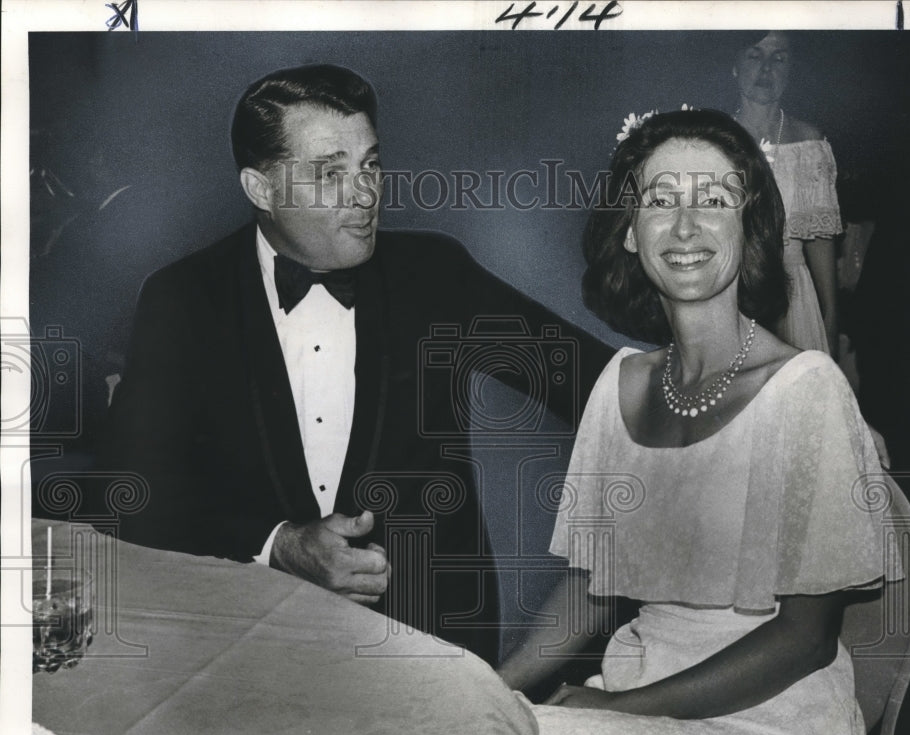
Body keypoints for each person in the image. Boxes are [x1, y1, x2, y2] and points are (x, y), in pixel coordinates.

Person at [99, 64, 612, 666]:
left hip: (427, 652)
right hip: (247, 651)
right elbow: (127, 492)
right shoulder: (183, 298)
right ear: (260, 189)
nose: (365, 194)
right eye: (330, 172)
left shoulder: (435, 273)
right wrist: (278, 544)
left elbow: (604, 390)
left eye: (369, 165)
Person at [498, 109, 909, 735]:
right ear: (631, 232)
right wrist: (493, 689)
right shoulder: (620, 383)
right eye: (661, 200)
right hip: (637, 690)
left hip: (772, 719)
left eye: (713, 200)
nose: (685, 226)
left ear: (747, 227)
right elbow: (590, 586)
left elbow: (806, 638)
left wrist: (615, 709)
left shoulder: (807, 387)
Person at [732, 31, 842, 357]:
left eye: (778, 58)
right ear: (734, 66)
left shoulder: (809, 139)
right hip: (731, 291)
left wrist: (831, 317)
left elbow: (821, 238)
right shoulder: (715, 135)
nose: (766, 68)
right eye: (754, 55)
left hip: (794, 298)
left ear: (791, 70)